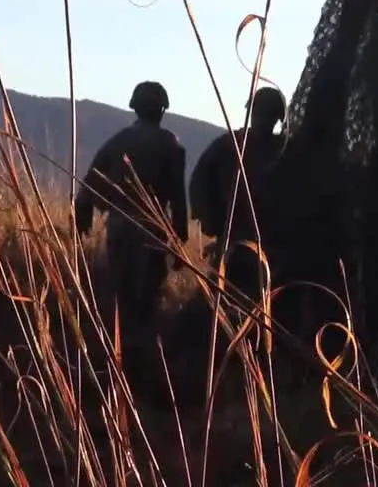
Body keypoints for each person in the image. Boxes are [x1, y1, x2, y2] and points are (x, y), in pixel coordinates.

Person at [74, 81, 189, 341]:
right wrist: (179, 240)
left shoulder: (118, 141)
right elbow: (178, 199)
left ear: (135, 107)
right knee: (146, 301)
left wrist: (82, 219)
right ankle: (141, 351)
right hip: (152, 233)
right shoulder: (171, 146)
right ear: (162, 110)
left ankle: (118, 347)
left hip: (118, 228)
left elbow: (87, 185)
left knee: (120, 294)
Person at [189, 86, 287, 288]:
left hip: (269, 249)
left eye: (267, 115)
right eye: (261, 114)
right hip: (234, 242)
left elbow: (198, 184)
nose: (263, 119)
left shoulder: (285, 150)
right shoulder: (230, 144)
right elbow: (199, 185)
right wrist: (213, 225)